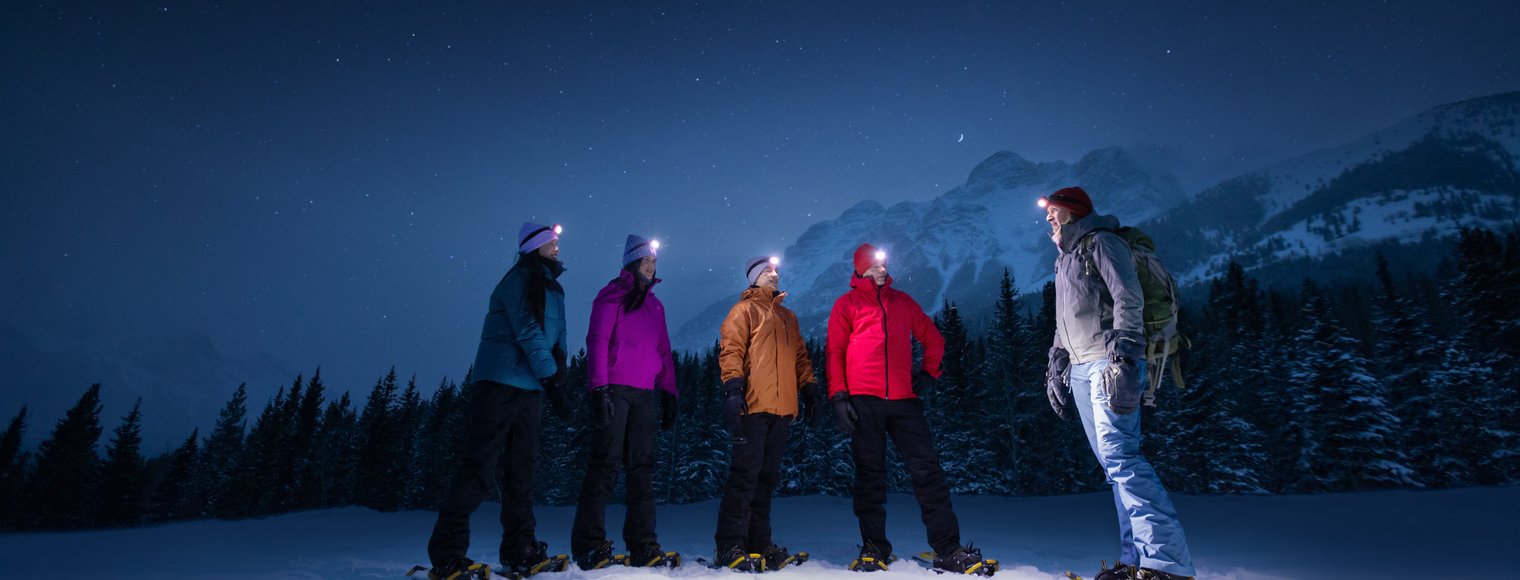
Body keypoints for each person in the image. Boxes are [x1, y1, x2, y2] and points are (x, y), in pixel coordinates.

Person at [1040, 186, 1196, 580]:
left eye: (1054, 211)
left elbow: (1128, 297)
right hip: (1080, 367)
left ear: (1074, 212)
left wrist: (1125, 355)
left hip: (1109, 363)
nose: (1048, 218)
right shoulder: (1066, 258)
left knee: (1123, 459)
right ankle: (1136, 562)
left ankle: (1167, 564)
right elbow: (1067, 317)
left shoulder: (1103, 244)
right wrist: (1056, 362)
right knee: (1114, 467)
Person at [826, 243, 994, 575]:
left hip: (904, 401)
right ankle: (874, 549)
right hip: (864, 401)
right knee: (870, 476)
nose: (881, 269)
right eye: (874, 265)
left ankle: (949, 549)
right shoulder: (846, 305)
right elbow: (835, 351)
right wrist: (839, 396)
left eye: (884, 264)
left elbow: (934, 339)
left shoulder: (901, 302)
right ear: (860, 270)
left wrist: (931, 372)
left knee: (928, 473)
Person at [426, 222, 572, 580]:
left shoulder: (555, 287)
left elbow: (558, 335)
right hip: (500, 382)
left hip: (531, 387)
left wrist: (561, 369)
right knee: (480, 464)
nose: (556, 247)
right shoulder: (517, 280)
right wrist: (551, 376)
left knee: (522, 469)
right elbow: (527, 330)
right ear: (534, 246)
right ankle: (447, 552)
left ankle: (520, 549)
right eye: (550, 242)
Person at [570, 234, 680, 570]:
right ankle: (589, 545)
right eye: (646, 260)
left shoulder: (655, 305)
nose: (652, 265)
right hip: (615, 389)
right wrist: (598, 389)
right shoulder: (612, 296)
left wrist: (669, 391)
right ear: (632, 262)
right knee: (604, 465)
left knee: (642, 469)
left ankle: (643, 544)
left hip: (645, 394)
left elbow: (662, 349)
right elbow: (598, 342)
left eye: (655, 262)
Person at [712, 256, 824, 571]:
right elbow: (731, 349)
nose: (774, 275)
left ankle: (759, 543)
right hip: (753, 405)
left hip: (782, 409)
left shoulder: (788, 317)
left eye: (776, 271)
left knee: (766, 480)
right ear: (753, 278)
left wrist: (809, 388)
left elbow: (800, 356)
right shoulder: (743, 311)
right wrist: (733, 389)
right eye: (767, 271)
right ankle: (729, 545)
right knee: (744, 478)